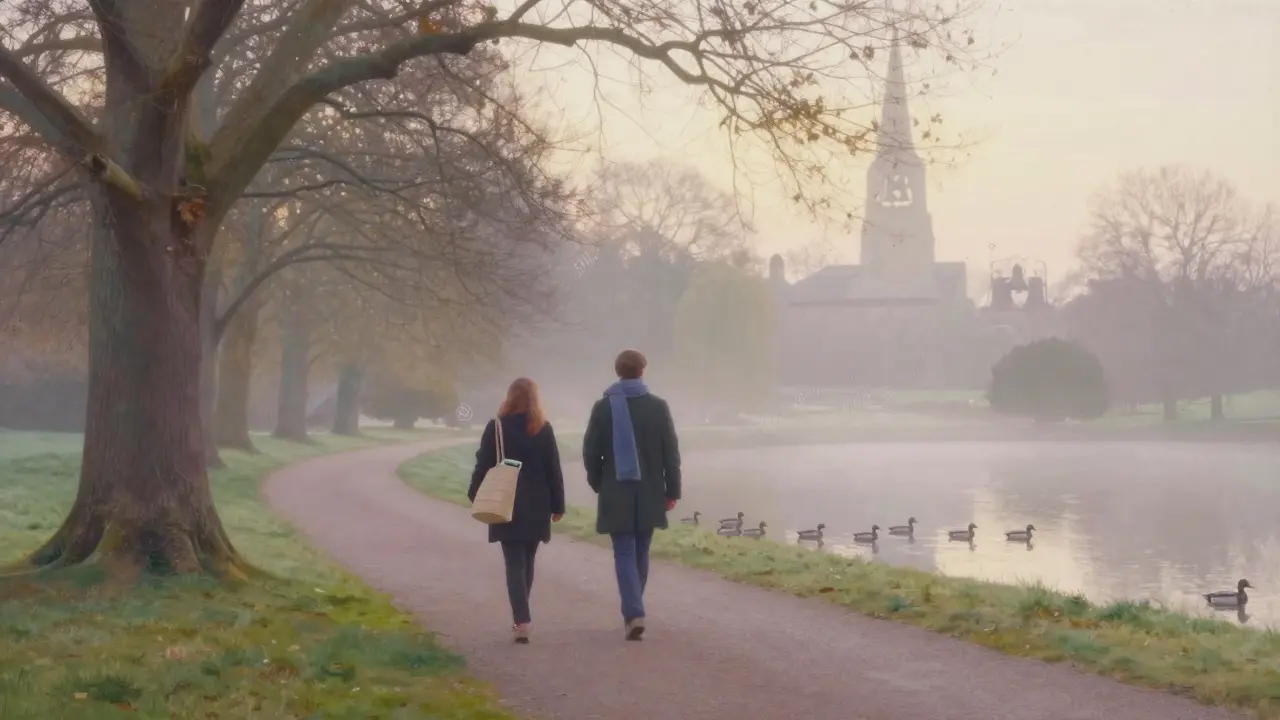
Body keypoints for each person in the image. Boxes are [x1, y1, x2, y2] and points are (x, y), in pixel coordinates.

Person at [583, 349, 682, 640]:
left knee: (624, 550)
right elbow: (670, 453)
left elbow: (590, 452)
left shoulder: (603, 407)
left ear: (618, 371)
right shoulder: (658, 407)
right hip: (650, 491)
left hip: (616, 490)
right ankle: (634, 608)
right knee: (641, 550)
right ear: (642, 371)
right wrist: (672, 490)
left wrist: (598, 483)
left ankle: (634, 611)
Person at [468, 377, 566, 644]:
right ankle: (522, 617)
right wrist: (558, 505)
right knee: (528, 560)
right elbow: (553, 469)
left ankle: (522, 620)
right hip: (537, 503)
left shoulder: (497, 427)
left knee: (514, 562)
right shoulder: (543, 428)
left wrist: (475, 493)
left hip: (505, 501)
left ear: (510, 396)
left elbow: (483, 464)